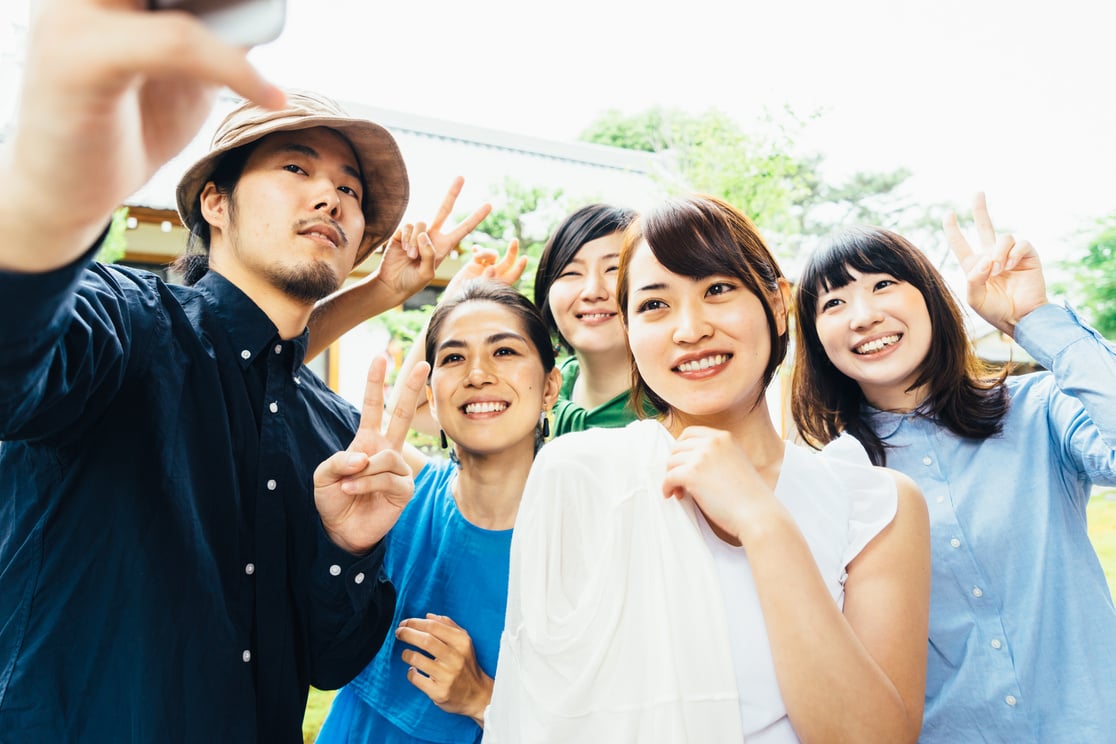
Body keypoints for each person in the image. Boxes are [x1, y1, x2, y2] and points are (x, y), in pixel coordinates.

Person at [0, 3, 433, 741]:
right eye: (296, 167)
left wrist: (349, 550)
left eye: (351, 191)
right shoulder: (127, 322)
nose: (331, 195)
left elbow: (329, 661)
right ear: (216, 202)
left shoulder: (334, 431)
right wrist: (58, 171)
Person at [484, 195, 931, 743]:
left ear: (776, 299)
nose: (689, 329)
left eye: (717, 290)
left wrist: (763, 523)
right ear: (627, 328)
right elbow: (537, 718)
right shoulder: (578, 475)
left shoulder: (875, 503)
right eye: (654, 306)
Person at [790, 193, 1116, 742]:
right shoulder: (834, 479)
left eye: (883, 285)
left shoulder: (1037, 409)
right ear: (818, 340)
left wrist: (1035, 320)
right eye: (833, 304)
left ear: (932, 298)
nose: (864, 315)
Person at [316, 275, 560, 744]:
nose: (477, 374)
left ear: (550, 386)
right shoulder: (397, 492)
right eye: (453, 357)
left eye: (504, 351)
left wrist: (481, 698)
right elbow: (268, 370)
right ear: (431, 393)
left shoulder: (576, 540)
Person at [532, 203, 645, 435]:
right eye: (571, 273)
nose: (593, 291)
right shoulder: (532, 399)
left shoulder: (686, 408)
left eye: (614, 268)